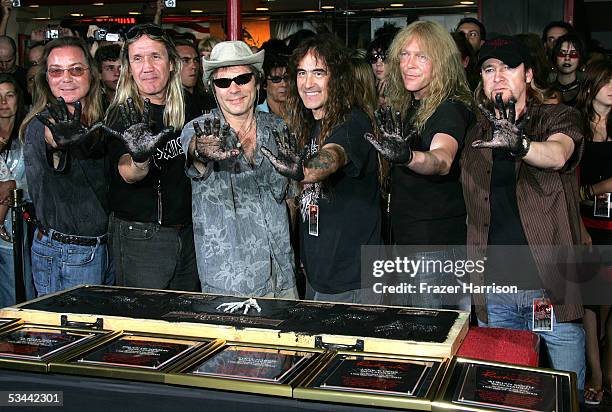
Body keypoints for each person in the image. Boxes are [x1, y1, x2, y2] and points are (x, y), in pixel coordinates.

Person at [461, 36, 587, 391]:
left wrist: (522, 145)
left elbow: (559, 153)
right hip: (495, 289)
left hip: (549, 288)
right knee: (505, 392)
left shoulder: (557, 116)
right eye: (488, 68)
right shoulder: (477, 134)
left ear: (529, 74)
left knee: (565, 392)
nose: (498, 75)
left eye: (508, 66)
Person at [264, 33, 381, 304]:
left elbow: (333, 156)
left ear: (337, 79)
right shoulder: (311, 124)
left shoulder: (353, 122)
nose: (308, 83)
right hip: (319, 277)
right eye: (302, 73)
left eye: (319, 73)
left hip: (353, 280)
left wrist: (305, 170)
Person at [365, 21, 474, 310]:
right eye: (404, 54)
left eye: (421, 56)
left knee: (432, 342)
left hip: (435, 248)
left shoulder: (449, 108)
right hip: (411, 243)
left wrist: (409, 157)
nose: (408, 64)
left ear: (441, 63)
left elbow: (442, 159)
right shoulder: (414, 104)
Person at [180, 40, 297, 298]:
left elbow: (290, 200)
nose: (234, 88)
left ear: (257, 81)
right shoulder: (198, 129)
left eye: (242, 79)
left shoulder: (278, 128)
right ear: (213, 89)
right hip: (230, 285)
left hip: (283, 277)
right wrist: (200, 150)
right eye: (223, 82)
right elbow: (194, 154)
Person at [103, 24, 199, 292]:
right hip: (142, 237)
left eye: (155, 56)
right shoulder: (122, 115)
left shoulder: (187, 107)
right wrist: (139, 159)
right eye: (137, 58)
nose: (147, 67)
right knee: (144, 323)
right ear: (129, 68)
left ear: (171, 63)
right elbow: (126, 172)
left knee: (184, 320)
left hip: (187, 233)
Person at [20, 37, 112, 296]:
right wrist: (59, 142)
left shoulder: (100, 117)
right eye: (56, 71)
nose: (66, 78)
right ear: (46, 79)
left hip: (103, 247)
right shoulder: (42, 124)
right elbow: (53, 141)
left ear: (91, 74)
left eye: (76, 69)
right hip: (66, 252)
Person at [575, 59, 612, 405]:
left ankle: (608, 368)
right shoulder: (577, 126)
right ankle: (595, 372)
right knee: (589, 300)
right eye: (606, 82)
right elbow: (569, 183)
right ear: (592, 86)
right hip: (587, 225)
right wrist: (595, 189)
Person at [0, 75, 35, 307]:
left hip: (19, 221)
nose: (3, 102)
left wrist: (14, 187)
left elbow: (39, 179)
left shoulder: (29, 131)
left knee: (16, 285)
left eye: (9, 95)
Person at [174, 39, 214, 114]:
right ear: (171, 65)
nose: (194, 66)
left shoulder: (209, 98)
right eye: (185, 60)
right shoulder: (167, 102)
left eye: (196, 60)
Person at [551, 33, 585, 107]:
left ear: (580, 58)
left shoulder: (586, 90)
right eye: (562, 53)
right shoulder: (546, 88)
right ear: (555, 57)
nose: (567, 58)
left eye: (573, 54)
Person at [366, 33, 396, 109]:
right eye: (374, 57)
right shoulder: (365, 89)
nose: (378, 64)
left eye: (384, 57)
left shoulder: (407, 90)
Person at [256, 51, 289, 119]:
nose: (284, 84)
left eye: (286, 78)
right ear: (264, 84)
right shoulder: (256, 114)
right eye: (276, 79)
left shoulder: (299, 112)